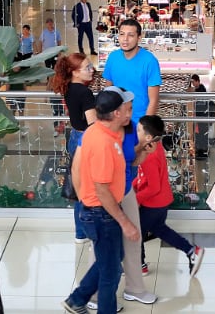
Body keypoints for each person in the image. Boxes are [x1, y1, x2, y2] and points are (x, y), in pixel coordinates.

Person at [62, 87, 140, 314]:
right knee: (110, 275)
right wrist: (125, 222)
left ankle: (77, 299)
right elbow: (102, 189)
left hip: (95, 210)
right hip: (101, 213)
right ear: (116, 113)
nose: (130, 114)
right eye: (127, 109)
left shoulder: (96, 131)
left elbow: (76, 167)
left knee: (114, 259)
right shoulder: (103, 143)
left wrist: (83, 197)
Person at [100, 19, 160, 307]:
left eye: (130, 34)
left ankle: (129, 281)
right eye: (121, 34)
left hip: (134, 131)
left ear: (139, 36)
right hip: (118, 132)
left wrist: (143, 133)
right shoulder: (112, 59)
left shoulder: (149, 61)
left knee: (130, 182)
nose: (125, 39)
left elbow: (152, 100)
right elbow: (109, 93)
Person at [133, 115, 205, 277]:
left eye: (138, 130)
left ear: (148, 137)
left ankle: (140, 265)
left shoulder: (148, 156)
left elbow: (153, 186)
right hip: (161, 201)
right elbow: (145, 178)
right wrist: (133, 186)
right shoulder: (155, 147)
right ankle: (191, 250)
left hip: (153, 204)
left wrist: (135, 199)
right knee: (160, 229)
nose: (135, 132)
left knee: (136, 233)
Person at [52, 53, 97, 241]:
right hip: (87, 140)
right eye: (87, 67)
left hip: (75, 137)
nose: (92, 70)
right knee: (90, 188)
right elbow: (93, 124)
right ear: (75, 72)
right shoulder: (84, 93)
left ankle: (80, 232)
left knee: (79, 185)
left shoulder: (69, 88)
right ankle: (90, 230)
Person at [190, 74, 215, 161]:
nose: (192, 84)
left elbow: (201, 104)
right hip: (201, 117)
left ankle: (202, 151)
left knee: (201, 134)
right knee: (201, 134)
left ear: (197, 81)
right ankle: (202, 150)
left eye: (193, 82)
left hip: (202, 117)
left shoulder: (201, 90)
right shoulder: (199, 89)